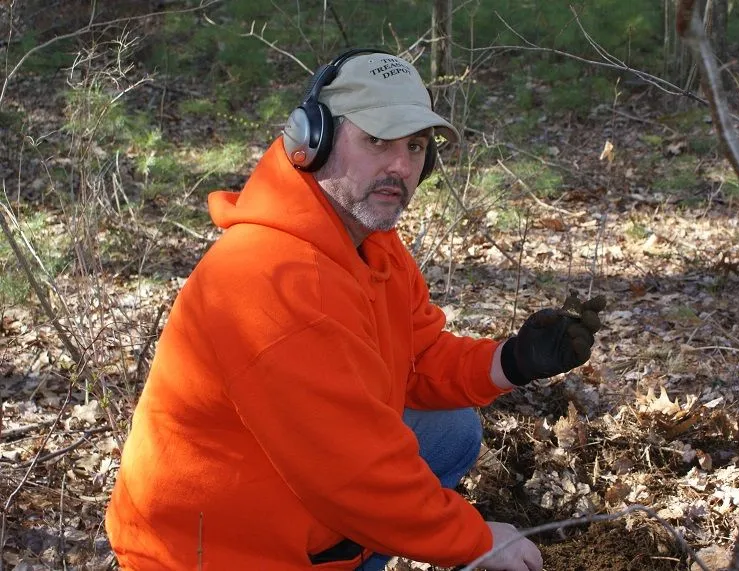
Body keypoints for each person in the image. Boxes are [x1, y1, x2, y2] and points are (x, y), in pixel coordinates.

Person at [106, 48, 605, 571]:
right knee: (386, 474)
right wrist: (476, 542)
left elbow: (419, 358)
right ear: (312, 142)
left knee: (452, 429)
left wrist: (515, 360)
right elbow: (352, 472)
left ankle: (355, 546)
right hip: (211, 553)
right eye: (377, 140)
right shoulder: (270, 280)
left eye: (415, 147)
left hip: (293, 496)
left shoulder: (371, 244)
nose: (400, 166)